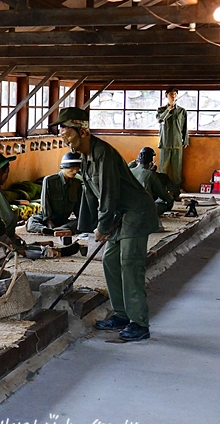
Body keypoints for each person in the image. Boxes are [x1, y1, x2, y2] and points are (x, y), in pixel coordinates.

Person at [49, 108, 160, 342]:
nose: (63, 137)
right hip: (118, 214)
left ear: (83, 130)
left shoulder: (104, 154)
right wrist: (81, 228)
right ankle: (121, 314)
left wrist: (103, 226)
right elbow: (89, 195)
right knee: (110, 260)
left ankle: (139, 322)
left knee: (129, 264)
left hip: (135, 213)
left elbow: (109, 194)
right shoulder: (86, 157)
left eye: (66, 132)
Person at [0, 151, 79, 259]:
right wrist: (11, 235)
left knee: (21, 245)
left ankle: (42, 245)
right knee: (19, 249)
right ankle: (54, 252)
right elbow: (9, 218)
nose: (7, 176)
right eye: (7, 172)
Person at [25, 152, 83, 235]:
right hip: (47, 218)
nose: (75, 171)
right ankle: (45, 229)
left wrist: (81, 221)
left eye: (77, 168)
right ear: (64, 167)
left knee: (82, 223)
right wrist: (49, 222)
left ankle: (59, 229)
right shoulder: (49, 180)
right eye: (72, 167)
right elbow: (45, 203)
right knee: (31, 222)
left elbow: (78, 208)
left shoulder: (77, 184)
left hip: (64, 221)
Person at [156, 87, 188, 187]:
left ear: (177, 96)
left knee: (177, 168)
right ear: (166, 95)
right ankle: (161, 188)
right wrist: (168, 110)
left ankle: (177, 188)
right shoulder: (161, 109)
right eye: (171, 94)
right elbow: (160, 120)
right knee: (163, 168)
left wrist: (185, 140)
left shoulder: (182, 111)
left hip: (178, 143)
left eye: (175, 94)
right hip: (165, 142)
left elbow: (185, 127)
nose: (173, 96)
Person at [130, 147, 174, 216]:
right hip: (143, 209)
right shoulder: (150, 174)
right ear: (150, 163)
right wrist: (171, 197)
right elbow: (163, 194)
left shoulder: (129, 171)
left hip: (128, 207)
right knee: (164, 202)